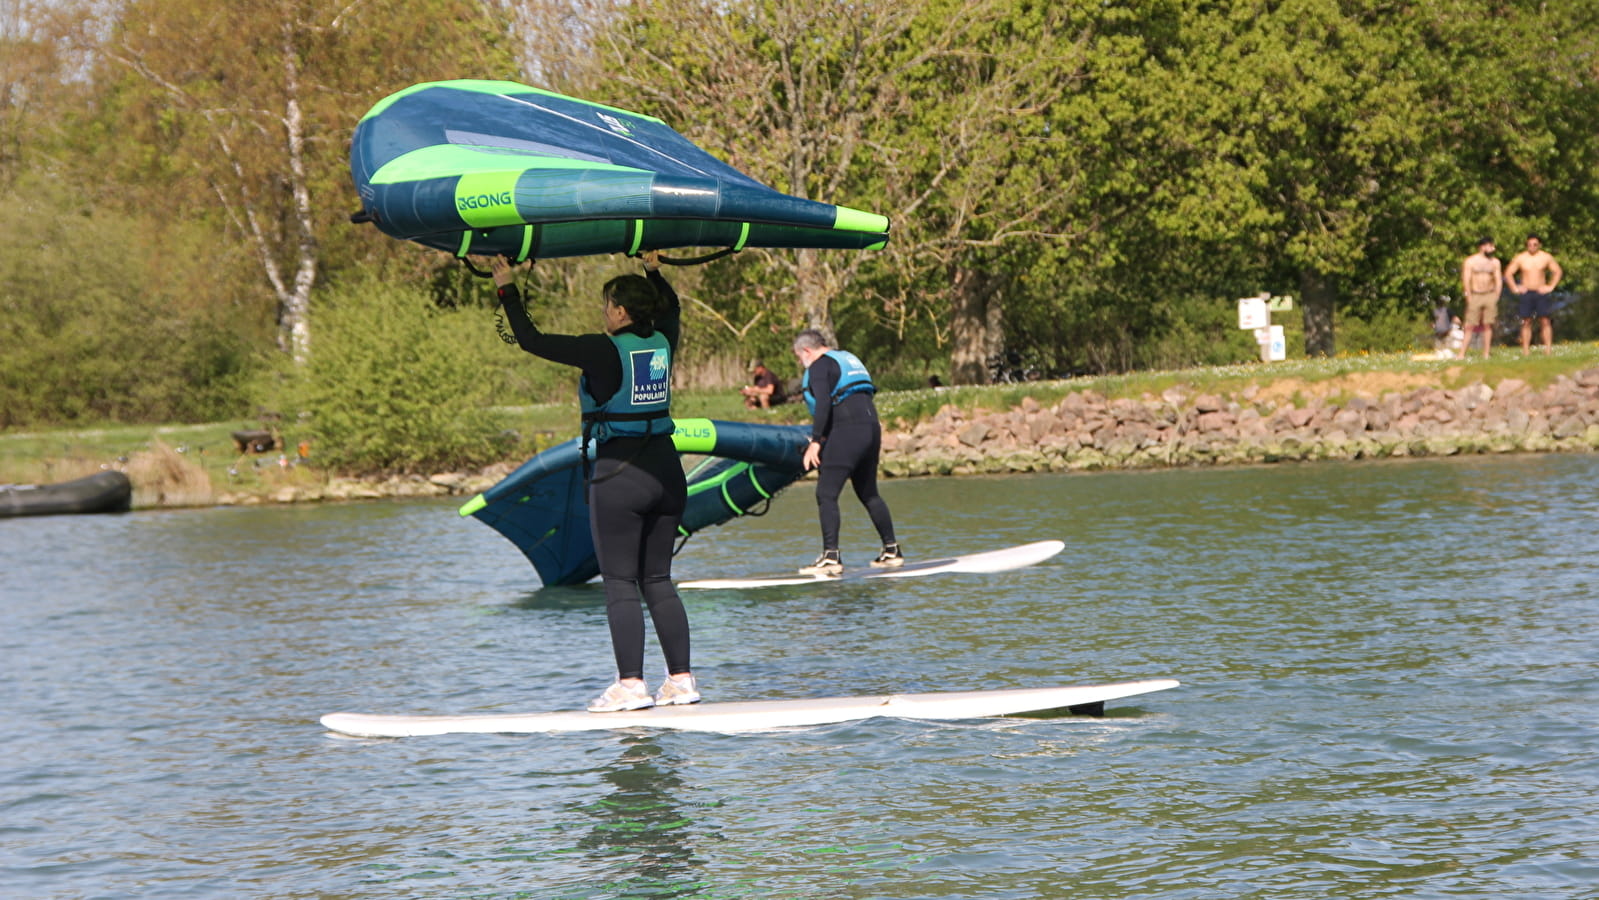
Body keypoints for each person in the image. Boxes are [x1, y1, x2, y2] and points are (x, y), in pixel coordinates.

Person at [491, 252, 698, 713]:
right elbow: (673, 308)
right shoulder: (664, 339)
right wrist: (654, 270)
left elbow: (530, 339)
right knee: (659, 579)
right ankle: (681, 682)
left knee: (621, 583)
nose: (603, 313)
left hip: (621, 476)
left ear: (622, 312)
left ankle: (630, 686)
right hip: (668, 472)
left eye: (607, 305)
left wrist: (505, 284)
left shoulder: (601, 349)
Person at [792, 329, 902, 575]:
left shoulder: (819, 366)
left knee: (826, 493)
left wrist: (817, 441)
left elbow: (822, 404)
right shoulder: (848, 359)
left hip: (848, 430)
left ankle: (831, 557)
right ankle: (892, 550)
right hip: (872, 429)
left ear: (807, 351)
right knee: (869, 493)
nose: (802, 363)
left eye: (799, 358)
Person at [1503, 234, 1563, 356]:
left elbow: (1557, 271)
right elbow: (1508, 273)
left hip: (1540, 291)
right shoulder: (1521, 258)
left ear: (1539, 245)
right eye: (1529, 244)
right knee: (1526, 321)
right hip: (1527, 292)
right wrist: (1515, 288)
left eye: (1535, 244)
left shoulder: (1545, 257)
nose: (1532, 247)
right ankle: (1525, 350)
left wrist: (1550, 286)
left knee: (1545, 320)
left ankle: (1548, 349)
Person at [1459, 238, 1502, 359]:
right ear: (1482, 247)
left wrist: (1497, 294)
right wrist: (1468, 295)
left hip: (1489, 294)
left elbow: (1498, 279)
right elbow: (1466, 279)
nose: (1492, 248)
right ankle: (1462, 353)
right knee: (1469, 325)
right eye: (1489, 246)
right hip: (1476, 294)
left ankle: (1486, 353)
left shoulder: (1495, 262)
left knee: (1488, 324)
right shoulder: (1471, 261)